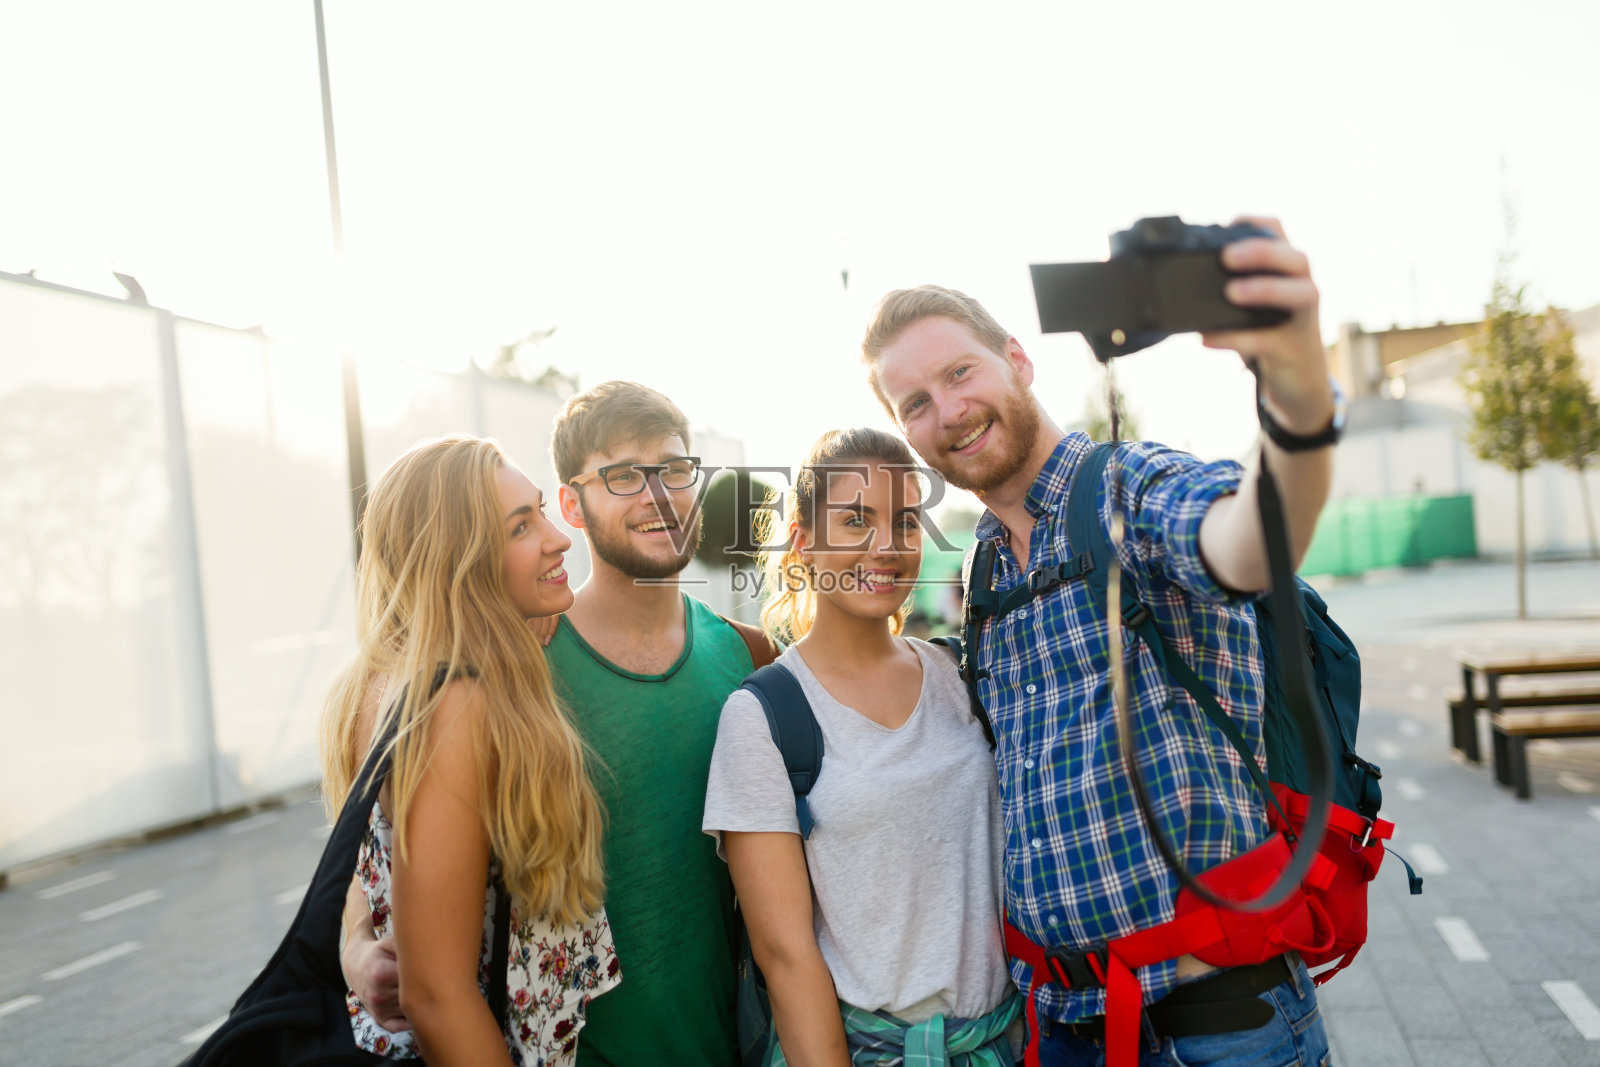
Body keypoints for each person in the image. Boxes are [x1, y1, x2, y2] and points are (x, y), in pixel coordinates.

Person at [861, 219, 1340, 1066]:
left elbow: (1250, 542)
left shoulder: (1126, 485)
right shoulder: (980, 573)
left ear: (1018, 358)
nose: (949, 411)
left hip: (1216, 1022)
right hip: (1069, 1027)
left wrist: (1299, 401)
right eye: (916, 404)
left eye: (959, 371)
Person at [344, 381, 772, 1066]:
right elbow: (383, 854)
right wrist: (359, 945)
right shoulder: (507, 671)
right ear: (573, 501)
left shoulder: (749, 655)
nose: (658, 496)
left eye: (673, 470)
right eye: (625, 476)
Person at [702, 427, 1021, 1066]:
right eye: (855, 520)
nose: (886, 547)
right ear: (803, 541)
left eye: (904, 522)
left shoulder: (960, 676)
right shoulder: (765, 716)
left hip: (1003, 1046)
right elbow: (785, 955)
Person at [320, 435, 618, 1066]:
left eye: (540, 510)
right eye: (520, 526)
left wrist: (354, 942)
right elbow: (436, 996)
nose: (559, 537)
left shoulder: (378, 679)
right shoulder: (452, 704)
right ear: (459, 557)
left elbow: (359, 862)